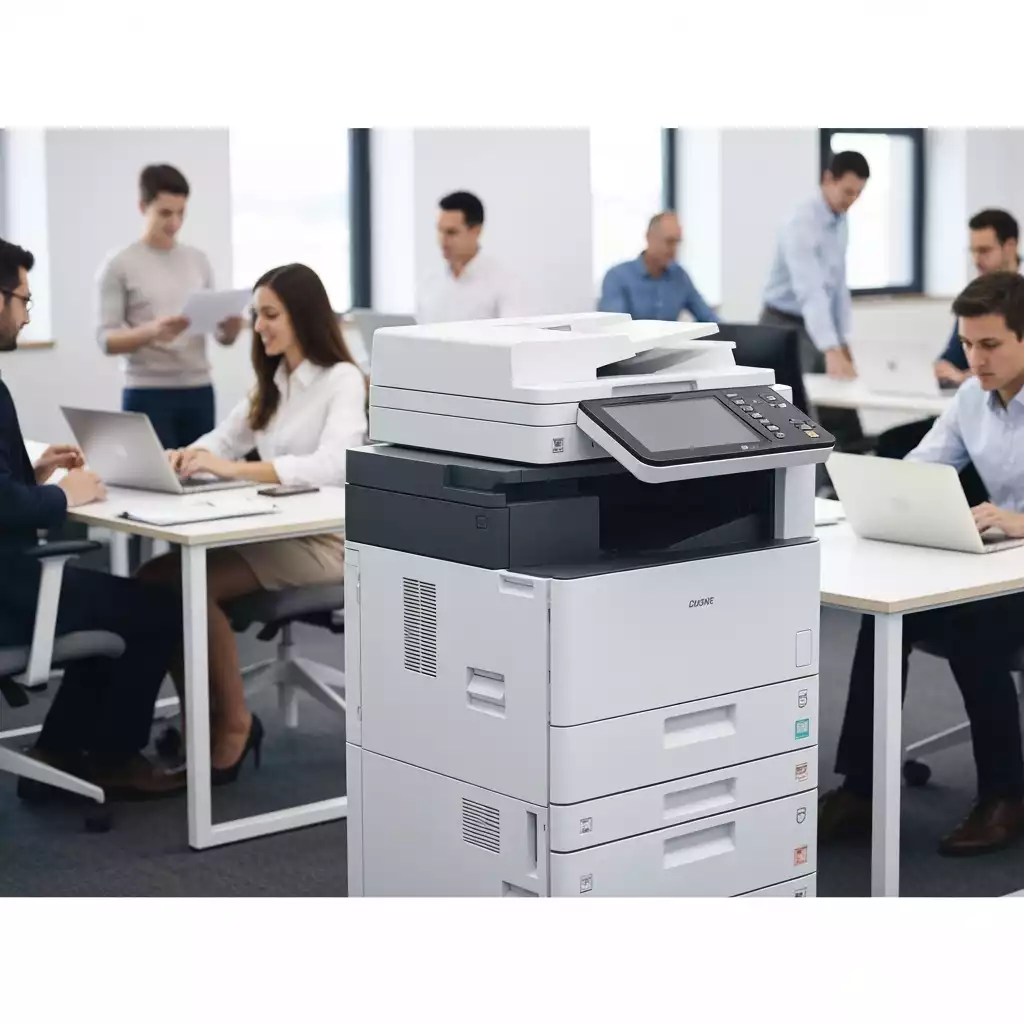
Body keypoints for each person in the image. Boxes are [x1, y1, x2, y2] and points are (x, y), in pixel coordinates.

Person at [820, 271, 1024, 857]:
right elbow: (917, 465)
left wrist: (1018, 520)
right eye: (967, 344)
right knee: (889, 618)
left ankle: (1006, 796)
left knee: (972, 628)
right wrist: (890, 496)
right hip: (1001, 569)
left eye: (990, 345)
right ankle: (862, 788)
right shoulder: (970, 399)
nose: (975, 359)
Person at [137, 264, 367, 781]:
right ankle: (205, 718)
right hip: (273, 530)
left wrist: (234, 469)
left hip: (326, 539)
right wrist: (186, 456)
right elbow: (224, 439)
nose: (258, 326)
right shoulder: (274, 380)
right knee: (154, 580)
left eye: (270, 315)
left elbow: (336, 464)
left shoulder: (342, 379)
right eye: (255, 314)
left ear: (302, 317)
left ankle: (235, 725)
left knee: (184, 585)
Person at [0, 237, 184, 800]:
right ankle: (113, 757)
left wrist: (35, 470)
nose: (27, 316)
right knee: (157, 608)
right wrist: (66, 496)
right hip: (10, 592)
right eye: (23, 300)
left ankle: (60, 746)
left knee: (114, 604)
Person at [96, 164, 245, 450]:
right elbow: (106, 340)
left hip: (199, 390)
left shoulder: (198, 260)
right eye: (165, 213)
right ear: (143, 206)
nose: (174, 222)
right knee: (154, 487)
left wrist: (230, 329)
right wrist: (152, 331)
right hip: (146, 392)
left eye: (181, 213)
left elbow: (221, 337)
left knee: (201, 478)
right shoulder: (119, 264)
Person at [875, 208, 1022, 462]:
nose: (977, 260)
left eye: (990, 344)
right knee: (893, 442)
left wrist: (966, 375)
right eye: (969, 344)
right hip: (976, 406)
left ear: (1010, 246)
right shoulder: (974, 302)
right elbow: (951, 356)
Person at [761, 150, 870, 381]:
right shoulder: (801, 223)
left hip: (818, 325)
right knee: (799, 406)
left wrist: (843, 341)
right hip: (783, 325)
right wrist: (831, 349)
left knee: (841, 404)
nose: (852, 200)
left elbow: (838, 286)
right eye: (847, 192)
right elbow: (810, 290)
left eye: (858, 193)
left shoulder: (841, 220)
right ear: (828, 179)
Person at [416, 191, 520, 323]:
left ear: (476, 231)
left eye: (451, 232)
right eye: (439, 230)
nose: (442, 240)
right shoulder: (429, 281)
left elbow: (513, 337)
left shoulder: (504, 282)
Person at [598, 212, 717, 323]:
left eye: (677, 242)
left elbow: (709, 319)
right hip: (633, 345)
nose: (673, 249)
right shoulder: (617, 277)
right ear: (649, 237)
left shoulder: (680, 277)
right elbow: (614, 329)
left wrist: (732, 334)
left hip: (670, 345)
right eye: (669, 241)